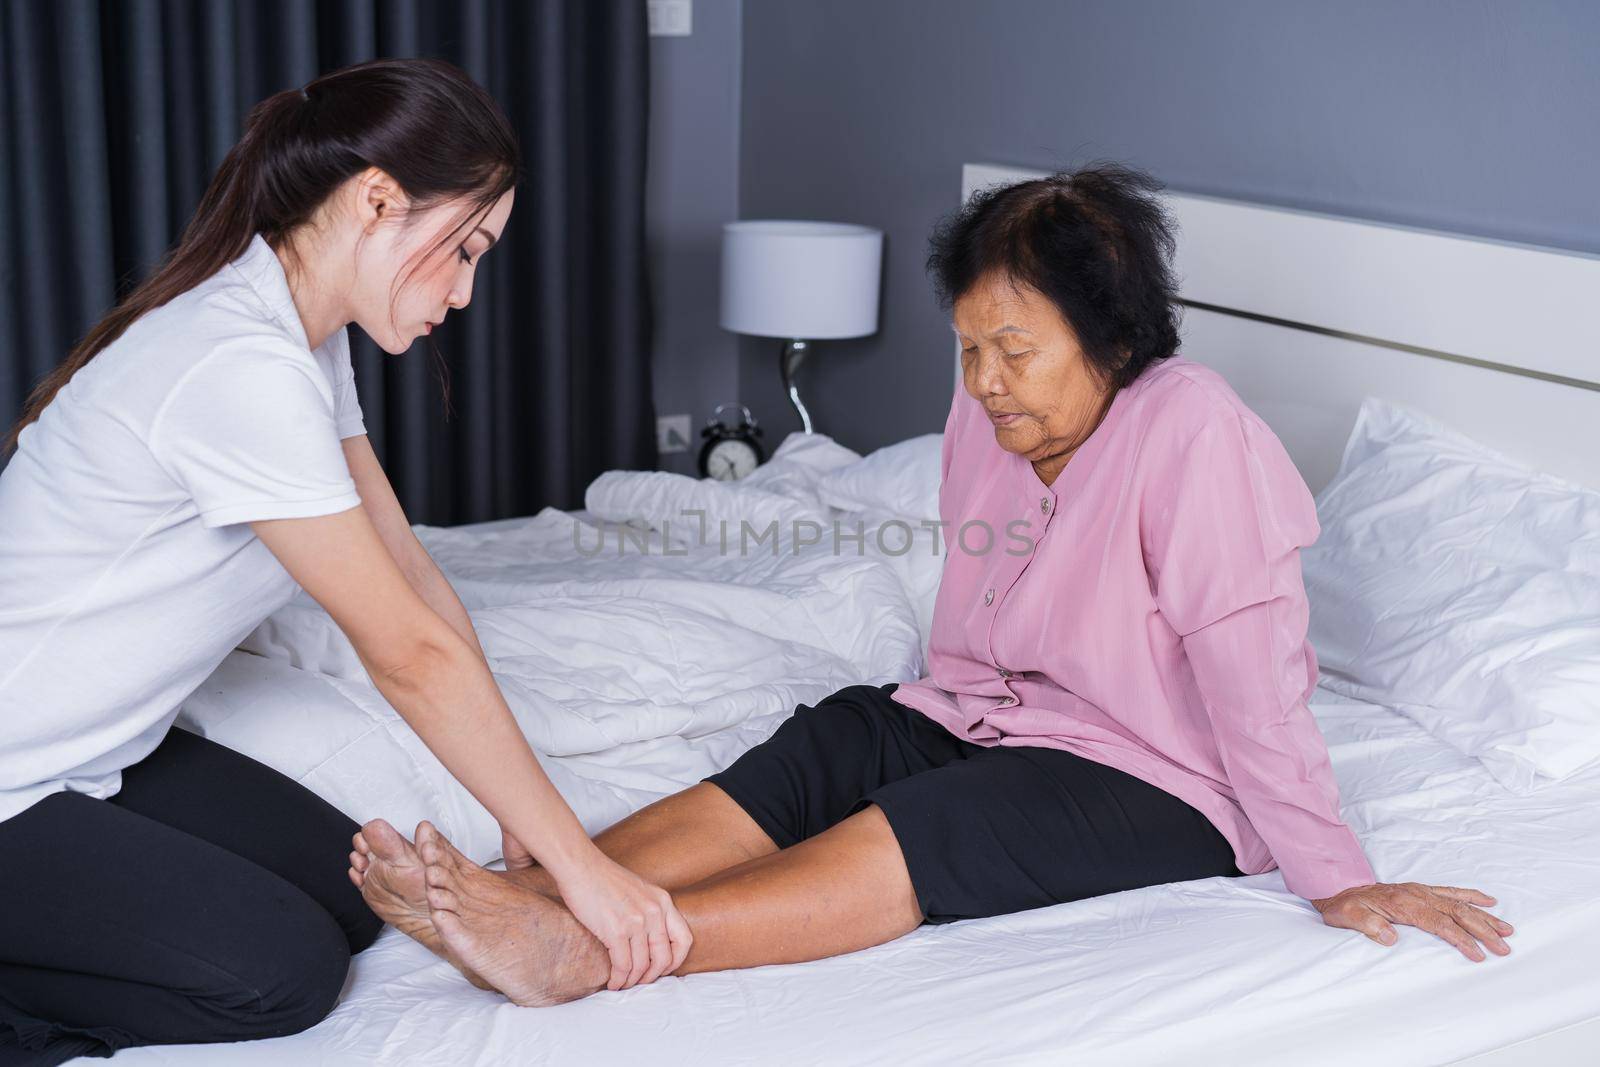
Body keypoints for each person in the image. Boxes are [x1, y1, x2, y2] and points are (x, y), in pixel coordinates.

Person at [351, 163, 1516, 1006]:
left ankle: (598, 946)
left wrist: (1337, 877)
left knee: (937, 824)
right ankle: (545, 885)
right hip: (988, 710)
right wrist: (923, 714)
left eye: (1016, 351)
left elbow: (1253, 688)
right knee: (834, 739)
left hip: (1159, 773)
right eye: (967, 346)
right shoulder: (983, 412)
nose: (985, 382)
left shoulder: (1197, 435)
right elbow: (981, 621)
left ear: (1109, 340)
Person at [0, 58, 687, 1065]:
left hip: (86, 753)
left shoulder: (301, 344)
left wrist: (524, 815)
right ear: (376, 199)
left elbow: (409, 579)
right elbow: (405, 651)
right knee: (281, 975)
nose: (461, 292)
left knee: (352, 892)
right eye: (463, 251)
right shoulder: (238, 363)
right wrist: (587, 868)